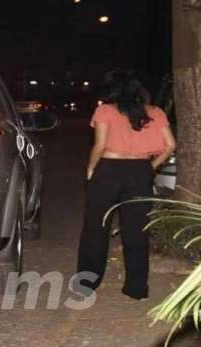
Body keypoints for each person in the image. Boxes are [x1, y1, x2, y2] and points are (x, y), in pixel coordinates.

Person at [76, 70, 176, 300]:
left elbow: (99, 145)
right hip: (140, 172)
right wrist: (150, 168)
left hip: (108, 170)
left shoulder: (105, 110)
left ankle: (86, 284)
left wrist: (91, 169)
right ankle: (137, 288)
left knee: (95, 228)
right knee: (136, 232)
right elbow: (171, 145)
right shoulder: (155, 112)